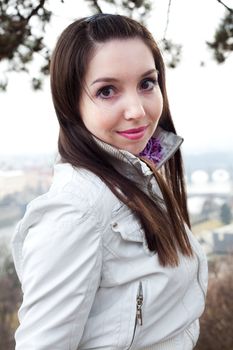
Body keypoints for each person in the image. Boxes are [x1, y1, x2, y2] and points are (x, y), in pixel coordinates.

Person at [12, 13, 208, 350]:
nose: (137, 110)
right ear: (71, 103)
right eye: (107, 91)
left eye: (147, 83)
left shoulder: (139, 169)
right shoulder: (75, 213)